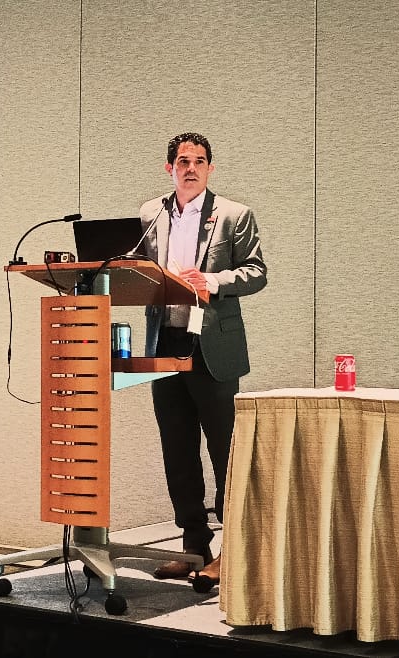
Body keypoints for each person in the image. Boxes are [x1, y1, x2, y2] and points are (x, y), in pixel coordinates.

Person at [139, 133, 267, 584]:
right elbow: (138, 269)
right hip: (165, 343)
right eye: (182, 161)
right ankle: (194, 547)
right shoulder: (151, 214)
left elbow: (256, 272)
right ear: (169, 168)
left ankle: (232, 552)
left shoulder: (233, 214)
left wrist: (212, 281)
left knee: (223, 453)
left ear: (210, 168)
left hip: (212, 347)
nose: (190, 168)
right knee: (177, 453)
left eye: (198, 161)